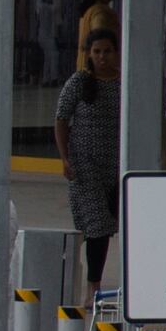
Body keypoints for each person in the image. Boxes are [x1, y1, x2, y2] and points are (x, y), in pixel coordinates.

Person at [52, 27, 123, 298]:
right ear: (88, 54)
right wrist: (65, 158)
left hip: (115, 165)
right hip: (85, 165)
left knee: (104, 228)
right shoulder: (80, 82)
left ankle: (92, 280)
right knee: (97, 223)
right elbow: (61, 119)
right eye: (97, 52)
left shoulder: (122, 82)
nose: (102, 57)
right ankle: (93, 286)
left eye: (107, 51)